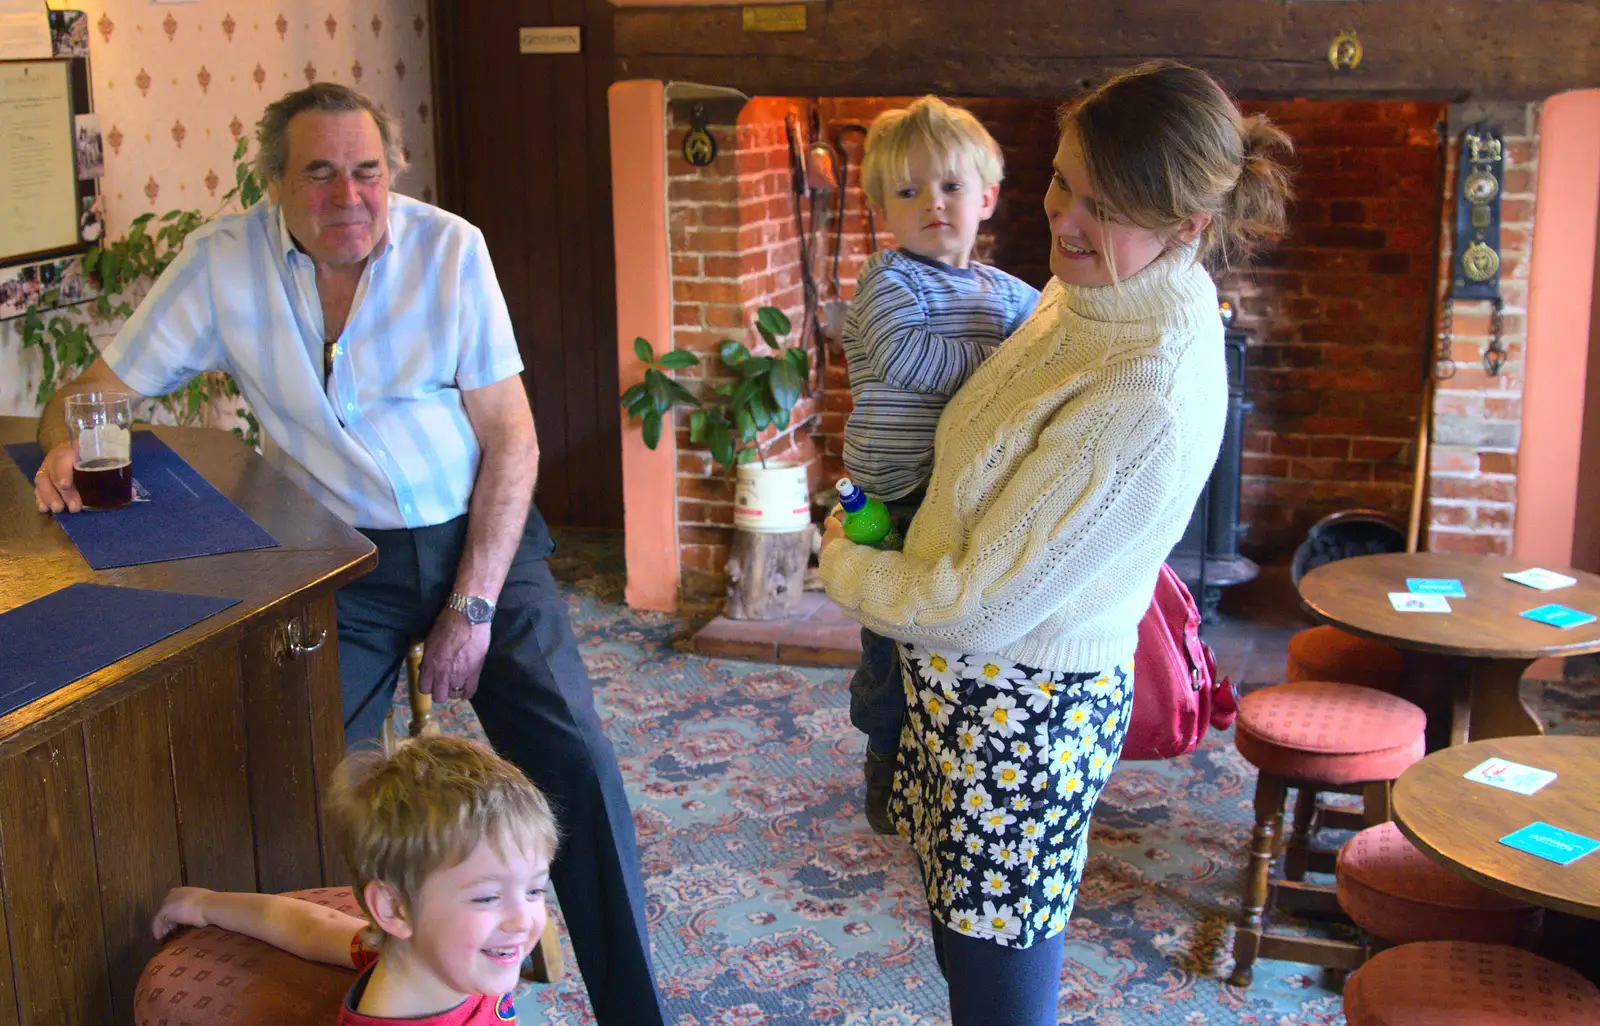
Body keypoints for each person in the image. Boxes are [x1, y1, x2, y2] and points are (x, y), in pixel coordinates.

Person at [32, 83, 667, 1023]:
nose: (349, 197)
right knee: (310, 770)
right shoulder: (220, 263)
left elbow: (513, 440)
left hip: (481, 539)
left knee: (575, 760)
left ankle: (635, 1013)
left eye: (367, 172)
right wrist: (62, 442)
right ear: (275, 184)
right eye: (321, 174)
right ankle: (373, 988)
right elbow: (93, 391)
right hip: (345, 558)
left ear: (391, 173)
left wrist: (475, 606)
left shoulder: (451, 250)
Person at [820, 61, 1292, 1024]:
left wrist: (842, 557)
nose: (1064, 221)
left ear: (1188, 225)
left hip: (1017, 713)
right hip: (966, 690)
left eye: (1104, 205)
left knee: (999, 983)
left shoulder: (1144, 386)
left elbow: (978, 603)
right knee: (968, 946)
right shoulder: (1095, 294)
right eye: (1062, 182)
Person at [840, 96, 1039, 835]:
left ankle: (949, 752)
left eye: (951, 187)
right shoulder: (889, 282)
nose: (933, 204)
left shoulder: (1016, 295)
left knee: (958, 627)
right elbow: (910, 358)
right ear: (880, 209)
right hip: (894, 493)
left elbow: (1048, 360)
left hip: (970, 489)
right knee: (892, 630)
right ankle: (884, 748)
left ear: (986, 198)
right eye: (909, 190)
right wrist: (1002, 367)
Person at [152, 736, 559, 1023]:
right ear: (395, 909)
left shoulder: (429, 952)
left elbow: (310, 927)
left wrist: (206, 904)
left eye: (534, 890)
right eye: (487, 898)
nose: (522, 919)